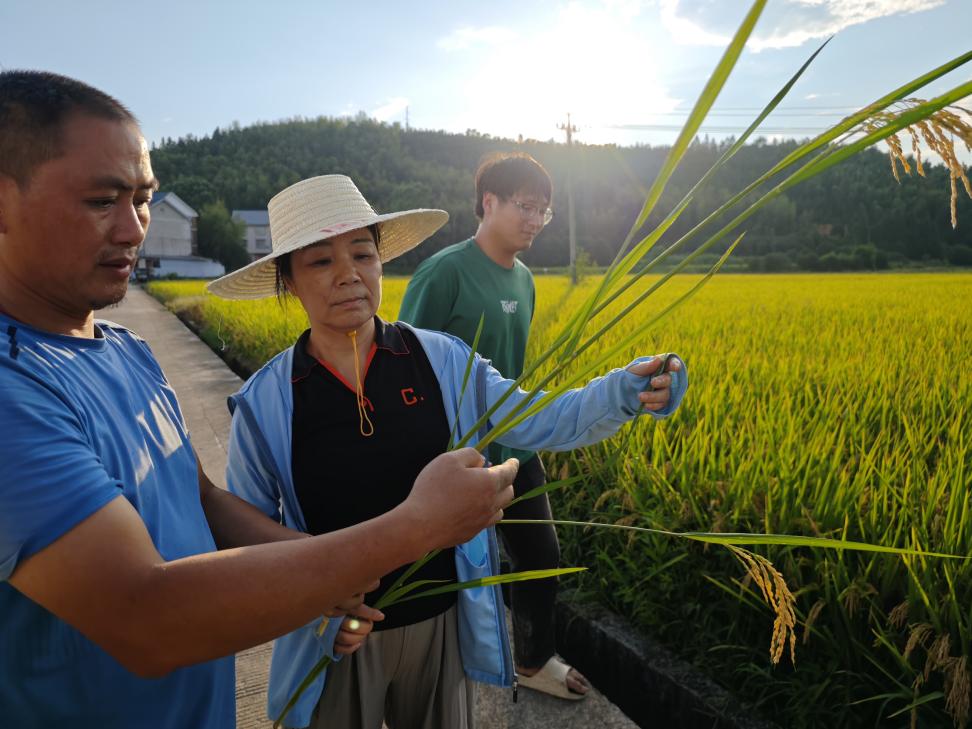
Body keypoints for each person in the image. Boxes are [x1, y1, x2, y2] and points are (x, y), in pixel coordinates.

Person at [0, 70, 518, 729]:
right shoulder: (12, 391)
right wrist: (414, 528)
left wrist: (333, 583)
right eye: (103, 200)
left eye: (144, 199)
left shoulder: (123, 349)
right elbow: (145, 616)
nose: (133, 229)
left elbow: (204, 500)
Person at [206, 173, 687, 729]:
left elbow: (539, 417)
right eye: (319, 262)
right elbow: (250, 534)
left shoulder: (441, 360)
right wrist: (316, 606)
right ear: (287, 280)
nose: (348, 275)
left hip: (440, 624)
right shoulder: (266, 403)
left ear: (381, 263)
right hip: (335, 638)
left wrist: (624, 391)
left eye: (362, 253)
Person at [399, 151, 604, 699]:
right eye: (526, 206)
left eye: (544, 211)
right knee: (439, 566)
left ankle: (532, 662)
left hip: (515, 445)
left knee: (539, 556)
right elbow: (401, 362)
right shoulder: (444, 273)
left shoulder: (527, 281)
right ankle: (423, 666)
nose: (535, 219)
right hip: (451, 455)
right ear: (488, 203)